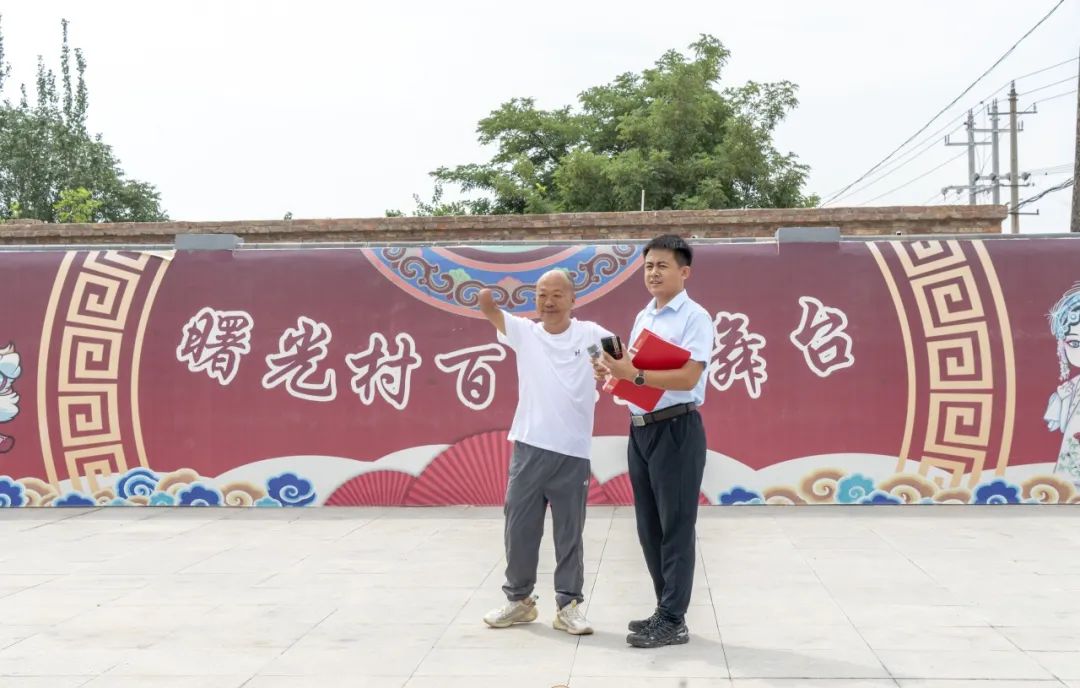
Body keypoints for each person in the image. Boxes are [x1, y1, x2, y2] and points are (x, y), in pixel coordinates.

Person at [592, 234, 713, 649]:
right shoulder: (645, 315)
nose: (653, 273)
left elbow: (689, 377)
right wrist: (613, 374)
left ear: (684, 271)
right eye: (648, 266)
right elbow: (633, 372)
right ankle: (665, 609)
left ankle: (674, 618)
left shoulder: (695, 317)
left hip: (676, 428)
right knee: (649, 527)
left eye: (662, 265)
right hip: (640, 428)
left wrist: (634, 375)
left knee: (676, 527)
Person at [477, 268, 613, 635]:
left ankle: (568, 607)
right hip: (529, 447)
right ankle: (519, 601)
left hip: (572, 451)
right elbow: (489, 309)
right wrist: (487, 294)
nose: (548, 302)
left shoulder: (591, 335)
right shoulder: (526, 333)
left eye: (556, 295)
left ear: (573, 299)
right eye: (541, 295)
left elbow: (619, 359)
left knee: (569, 533)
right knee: (519, 528)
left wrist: (606, 369)